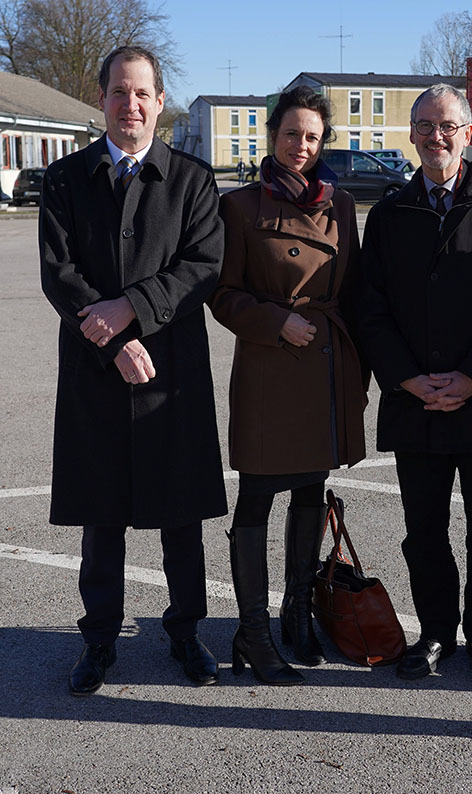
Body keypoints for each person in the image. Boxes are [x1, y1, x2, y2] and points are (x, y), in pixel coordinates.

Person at [39, 46, 227, 695]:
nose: (132, 104)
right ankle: (98, 640)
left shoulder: (193, 180)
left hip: (170, 376)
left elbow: (202, 266)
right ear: (102, 99)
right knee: (102, 518)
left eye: (143, 93)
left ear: (159, 100)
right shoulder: (65, 180)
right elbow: (59, 274)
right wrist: (111, 340)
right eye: (120, 92)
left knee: (181, 518)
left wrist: (133, 309)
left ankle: (185, 633)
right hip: (96, 375)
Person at [359, 84, 472, 682]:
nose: (435, 136)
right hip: (415, 402)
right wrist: (408, 379)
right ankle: (436, 631)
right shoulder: (390, 212)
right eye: (424, 127)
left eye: (446, 126)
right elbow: (369, 306)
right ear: (411, 135)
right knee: (424, 531)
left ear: (469, 134)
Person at [209, 86, 366, 686]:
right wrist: (277, 322)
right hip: (271, 366)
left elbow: (353, 291)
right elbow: (221, 294)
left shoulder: (342, 203)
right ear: (271, 135)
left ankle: (297, 613)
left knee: (310, 491)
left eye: (312, 136)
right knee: (256, 495)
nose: (300, 146)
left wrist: (358, 373)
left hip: (325, 367)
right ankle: (252, 631)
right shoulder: (242, 206)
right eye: (290, 133)